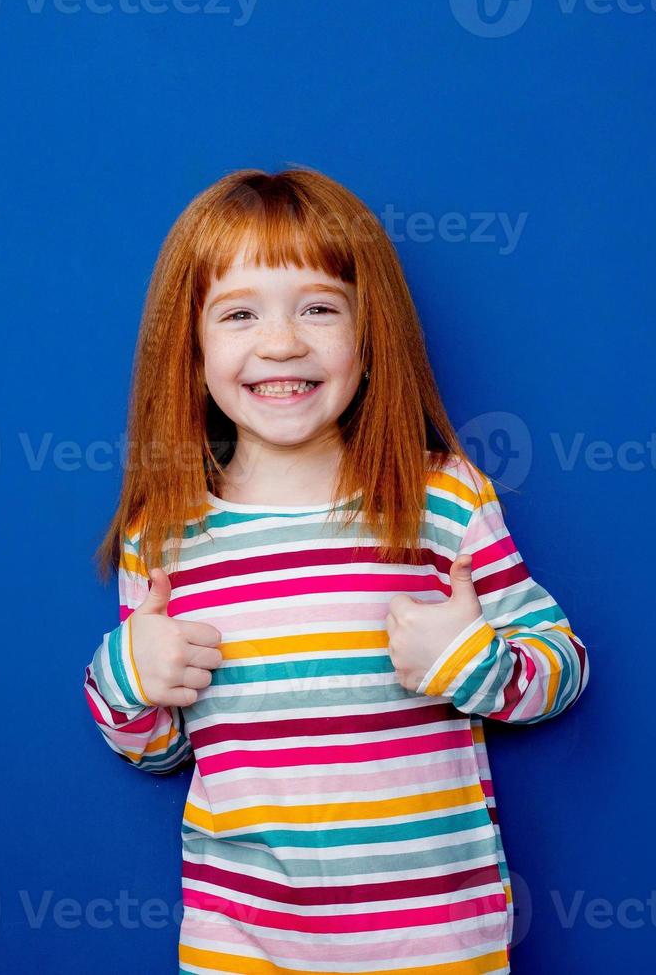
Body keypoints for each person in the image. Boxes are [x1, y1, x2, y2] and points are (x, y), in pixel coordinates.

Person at [82, 166, 590, 974]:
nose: (281, 342)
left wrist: (476, 664)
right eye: (240, 313)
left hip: (436, 943)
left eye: (319, 308)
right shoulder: (164, 537)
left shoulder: (441, 500)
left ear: (368, 333)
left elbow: (562, 668)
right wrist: (125, 681)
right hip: (242, 946)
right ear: (193, 344)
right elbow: (158, 751)